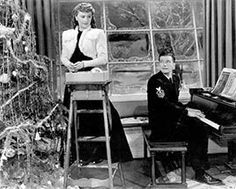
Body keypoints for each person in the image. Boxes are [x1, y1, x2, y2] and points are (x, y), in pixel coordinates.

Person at [60, 2, 133, 165]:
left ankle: (97, 155)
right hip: (74, 79)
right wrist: (68, 64)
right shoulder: (67, 35)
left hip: (90, 77)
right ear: (76, 17)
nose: (86, 20)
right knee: (73, 119)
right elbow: (63, 56)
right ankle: (78, 157)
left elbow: (104, 59)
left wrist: (84, 64)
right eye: (82, 16)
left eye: (89, 16)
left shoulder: (98, 33)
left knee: (99, 116)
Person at [147, 49, 222, 185]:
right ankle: (200, 170)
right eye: (162, 62)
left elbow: (174, 103)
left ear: (174, 64)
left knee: (195, 111)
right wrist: (186, 112)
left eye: (168, 61)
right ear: (158, 64)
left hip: (171, 120)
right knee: (199, 130)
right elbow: (164, 105)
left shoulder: (175, 78)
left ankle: (193, 162)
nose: (164, 65)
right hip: (161, 127)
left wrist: (189, 108)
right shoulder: (155, 81)